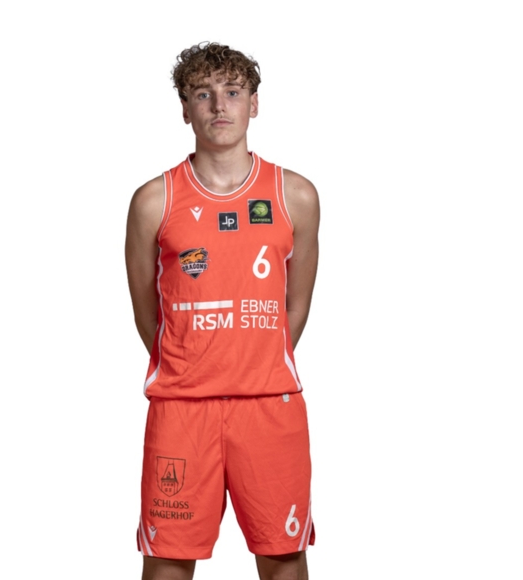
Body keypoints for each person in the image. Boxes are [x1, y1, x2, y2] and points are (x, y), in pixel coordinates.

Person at [125, 42, 320, 580]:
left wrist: (252, 361)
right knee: (167, 563)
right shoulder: (153, 201)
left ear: (254, 103)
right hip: (182, 410)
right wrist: (195, 362)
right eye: (202, 94)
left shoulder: (295, 195)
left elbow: (296, 307)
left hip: (270, 407)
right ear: (184, 108)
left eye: (233, 92)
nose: (218, 106)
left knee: (283, 559)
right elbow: (147, 312)